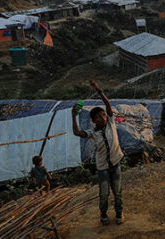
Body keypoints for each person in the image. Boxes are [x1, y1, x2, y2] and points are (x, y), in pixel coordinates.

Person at [71, 81, 125, 225]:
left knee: (118, 191)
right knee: (104, 193)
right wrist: (73, 115)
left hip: (115, 161)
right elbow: (76, 132)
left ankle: (119, 213)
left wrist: (98, 90)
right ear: (94, 121)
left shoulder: (111, 122)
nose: (103, 117)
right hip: (102, 167)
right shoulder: (93, 133)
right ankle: (103, 214)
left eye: (103, 115)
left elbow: (107, 104)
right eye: (99, 117)